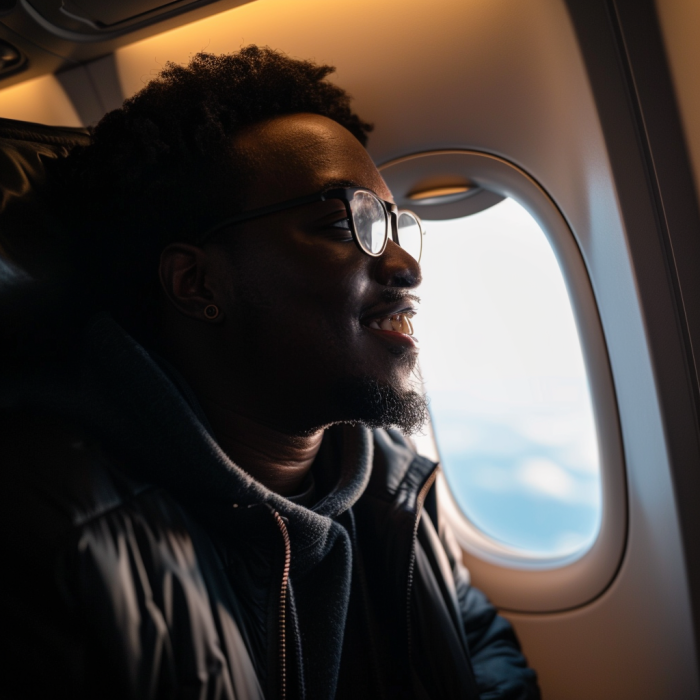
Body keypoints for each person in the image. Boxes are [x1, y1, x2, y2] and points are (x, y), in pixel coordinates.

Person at [0, 46, 540, 699]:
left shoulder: (391, 481)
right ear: (198, 282)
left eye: (395, 224)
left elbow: (478, 645)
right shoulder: (54, 535)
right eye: (349, 224)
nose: (407, 266)